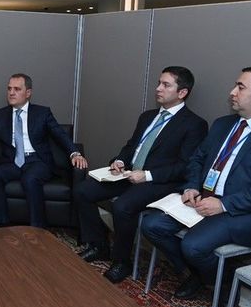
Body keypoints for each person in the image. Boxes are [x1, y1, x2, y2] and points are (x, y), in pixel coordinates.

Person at [141, 67, 251, 304]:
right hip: (203, 198)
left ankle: (226, 285)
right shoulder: (223, 124)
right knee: (152, 225)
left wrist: (224, 204)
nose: (232, 92)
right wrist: (192, 186)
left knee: (193, 246)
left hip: (242, 210)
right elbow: (197, 159)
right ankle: (196, 274)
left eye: (240, 87)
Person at [74, 66, 207, 283]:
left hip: (159, 182)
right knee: (83, 191)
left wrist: (148, 175)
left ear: (182, 92)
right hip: (129, 174)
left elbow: (185, 166)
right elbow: (131, 146)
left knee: (122, 206)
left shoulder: (194, 124)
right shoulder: (148, 116)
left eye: (166, 85)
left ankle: (121, 262)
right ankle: (99, 245)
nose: (158, 88)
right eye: (159, 83)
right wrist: (120, 161)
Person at [0, 73, 88, 227]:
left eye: (17, 89)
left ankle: (37, 228)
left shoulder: (42, 113)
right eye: (9, 89)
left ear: (28, 93)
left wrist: (75, 153)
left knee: (30, 179)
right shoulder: (0, 115)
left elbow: (60, 135)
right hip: (11, 162)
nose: (11, 93)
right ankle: (2, 225)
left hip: (37, 161)